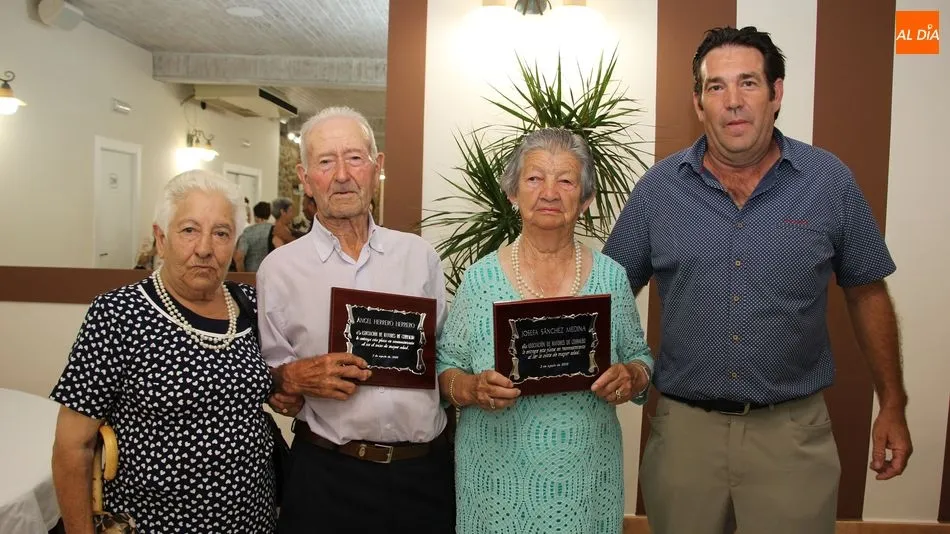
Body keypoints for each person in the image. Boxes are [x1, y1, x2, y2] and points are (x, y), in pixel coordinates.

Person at [603, 26, 912, 534]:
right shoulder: (658, 190)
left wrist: (894, 404)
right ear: (699, 102)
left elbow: (868, 292)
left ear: (776, 93)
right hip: (685, 436)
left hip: (792, 436)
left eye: (748, 83)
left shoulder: (829, 182)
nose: (733, 101)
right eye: (716, 87)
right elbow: (610, 291)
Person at [49, 170, 298, 533]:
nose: (205, 248)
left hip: (253, 520)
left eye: (221, 233)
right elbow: (73, 445)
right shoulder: (118, 314)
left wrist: (285, 388)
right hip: (155, 524)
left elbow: (267, 382)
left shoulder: (250, 305)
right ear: (161, 240)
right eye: (189, 230)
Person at [437, 128, 654, 533]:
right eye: (535, 178)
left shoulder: (611, 278)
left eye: (566, 180)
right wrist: (470, 389)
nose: (550, 192)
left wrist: (631, 376)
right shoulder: (480, 280)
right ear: (513, 194)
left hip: (585, 484)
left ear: (585, 200)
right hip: (495, 484)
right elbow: (444, 368)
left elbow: (641, 360)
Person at [258, 106, 455, 533]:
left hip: (424, 475)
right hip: (328, 476)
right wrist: (287, 380)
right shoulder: (279, 270)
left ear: (376, 166)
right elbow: (274, 377)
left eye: (354, 158)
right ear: (306, 177)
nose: (342, 175)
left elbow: (447, 356)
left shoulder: (419, 257)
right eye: (326, 162)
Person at [234, 201, 275, 272]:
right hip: (270, 272)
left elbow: (239, 257)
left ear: (255, 215)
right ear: (269, 214)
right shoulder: (275, 230)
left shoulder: (248, 231)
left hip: (251, 273)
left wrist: (242, 275)